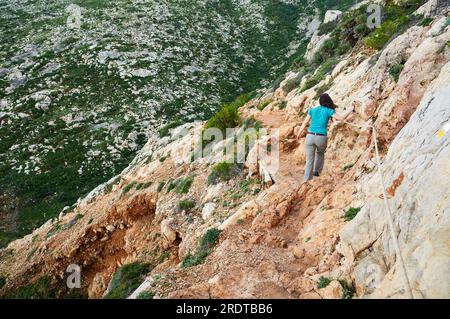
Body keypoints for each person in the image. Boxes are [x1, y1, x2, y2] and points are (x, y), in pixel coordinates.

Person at [296, 93, 354, 181]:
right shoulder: (329, 111)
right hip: (321, 137)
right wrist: (351, 109)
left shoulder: (312, 110)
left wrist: (299, 132)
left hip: (310, 136)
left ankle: (307, 179)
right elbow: (341, 118)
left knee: (309, 159)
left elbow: (305, 123)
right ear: (328, 101)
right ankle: (317, 171)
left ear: (320, 101)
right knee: (320, 153)